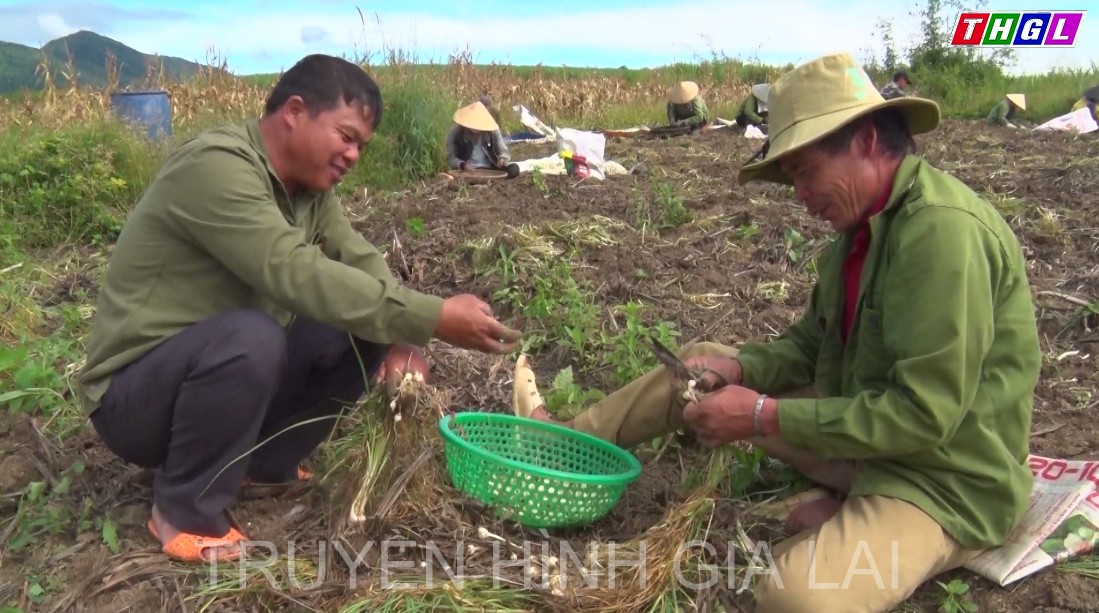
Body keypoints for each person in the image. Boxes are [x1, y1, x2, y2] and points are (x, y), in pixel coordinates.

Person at [517, 51, 1041, 613]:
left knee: (799, 596)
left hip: (941, 481)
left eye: (805, 172)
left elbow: (924, 416)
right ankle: (562, 442)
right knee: (701, 363)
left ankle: (871, 515)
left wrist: (760, 414)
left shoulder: (941, 236)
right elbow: (812, 346)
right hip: (865, 444)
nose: (799, 195)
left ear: (865, 140)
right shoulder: (860, 231)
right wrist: (739, 373)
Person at [76, 53, 521, 564]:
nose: (353, 155)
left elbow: (358, 259)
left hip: (215, 378)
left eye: (361, 146)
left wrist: (407, 333)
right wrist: (435, 314)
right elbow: (291, 272)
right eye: (346, 136)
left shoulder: (309, 191)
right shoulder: (215, 167)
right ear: (294, 111)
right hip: (135, 400)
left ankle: (264, 463)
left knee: (364, 326)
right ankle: (183, 510)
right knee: (253, 335)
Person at [445, 100, 511, 171]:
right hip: (468, 170)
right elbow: (451, 158)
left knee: (514, 169)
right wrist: (462, 165)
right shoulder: (456, 132)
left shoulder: (492, 130)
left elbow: (503, 150)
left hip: (490, 168)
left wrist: (502, 159)